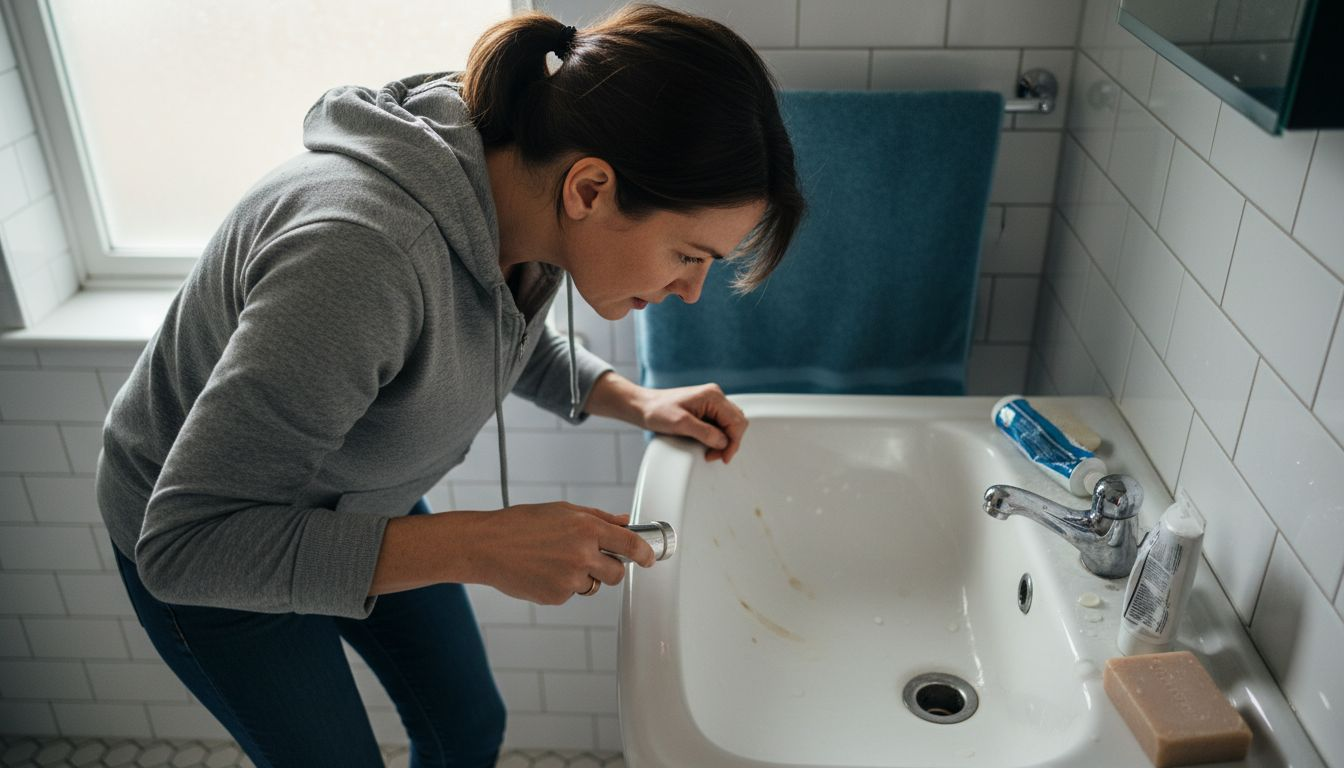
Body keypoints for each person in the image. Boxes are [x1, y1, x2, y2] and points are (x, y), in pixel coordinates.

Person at [95, 4, 803, 766]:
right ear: (592, 190)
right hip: (219, 546)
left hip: (365, 494)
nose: (691, 290)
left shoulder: (516, 190)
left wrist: (634, 401)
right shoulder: (358, 261)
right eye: (689, 254)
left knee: (467, 726)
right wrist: (479, 544)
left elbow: (491, 334)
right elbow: (187, 541)